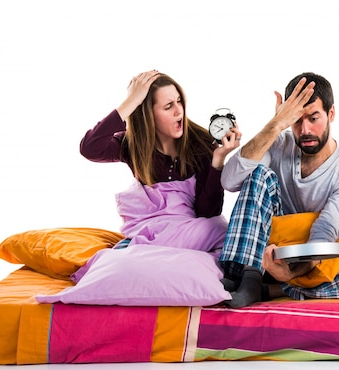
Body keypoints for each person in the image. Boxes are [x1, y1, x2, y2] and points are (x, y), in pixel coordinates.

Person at [219, 72, 339, 308]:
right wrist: (275, 125)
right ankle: (247, 278)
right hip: (260, 251)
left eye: (314, 118)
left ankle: (274, 288)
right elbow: (230, 181)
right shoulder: (278, 142)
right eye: (296, 119)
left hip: (304, 258)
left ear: (331, 114)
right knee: (258, 174)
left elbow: (326, 229)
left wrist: (292, 272)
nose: (305, 129)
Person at [80, 70, 240, 254]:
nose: (178, 110)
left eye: (179, 101)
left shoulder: (202, 144)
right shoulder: (132, 145)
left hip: (190, 234)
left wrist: (218, 160)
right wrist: (130, 102)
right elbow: (90, 148)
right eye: (168, 106)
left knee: (219, 233)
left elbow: (207, 212)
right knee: (113, 265)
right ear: (148, 115)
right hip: (148, 233)